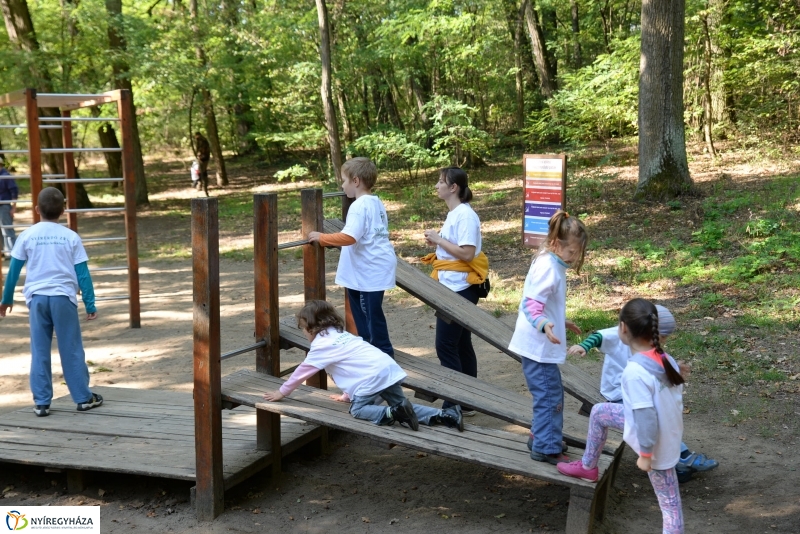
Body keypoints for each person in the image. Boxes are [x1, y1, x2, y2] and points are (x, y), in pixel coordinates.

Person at [558, 298, 685, 534]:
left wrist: (646, 455)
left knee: (670, 507)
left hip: (656, 442)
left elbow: (646, 418)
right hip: (667, 431)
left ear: (623, 329)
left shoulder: (634, 372)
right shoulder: (666, 360)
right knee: (599, 411)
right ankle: (588, 467)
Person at [567, 305, 719, 482]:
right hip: (618, 394)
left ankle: (681, 459)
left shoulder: (649, 348)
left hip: (642, 396)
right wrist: (584, 346)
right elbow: (600, 336)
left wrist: (673, 369)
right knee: (652, 424)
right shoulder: (626, 344)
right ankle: (680, 459)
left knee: (657, 422)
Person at [262, 300, 463, 431]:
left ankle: (393, 413)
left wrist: (283, 392)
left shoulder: (320, 346)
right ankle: (445, 415)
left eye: (303, 329)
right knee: (403, 405)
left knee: (358, 410)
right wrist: (347, 395)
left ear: (311, 328)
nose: (304, 334)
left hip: (372, 378)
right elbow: (352, 367)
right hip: (386, 369)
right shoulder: (341, 335)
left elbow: (301, 372)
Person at [0, 187, 102, 417]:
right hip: (63, 298)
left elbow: (13, 271)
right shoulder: (70, 236)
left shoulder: (27, 235)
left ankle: (42, 402)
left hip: (36, 300)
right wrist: (90, 303)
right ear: (63, 210)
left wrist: (6, 300)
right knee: (71, 348)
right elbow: (82, 274)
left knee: (39, 350)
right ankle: (83, 398)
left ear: (37, 210)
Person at [508, 210, 587, 464]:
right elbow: (531, 305)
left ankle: (540, 435)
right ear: (556, 243)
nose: (574, 259)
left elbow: (543, 302)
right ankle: (546, 446)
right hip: (538, 346)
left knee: (546, 394)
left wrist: (560, 321)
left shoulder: (548, 259)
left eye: (577, 253)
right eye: (572, 252)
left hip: (538, 343)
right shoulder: (549, 268)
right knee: (551, 395)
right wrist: (545, 325)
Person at [308, 157, 396, 357]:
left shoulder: (359, 206)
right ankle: (370, 352)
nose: (342, 185)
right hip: (371, 268)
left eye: (344, 180)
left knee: (370, 316)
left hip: (369, 270)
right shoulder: (376, 202)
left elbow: (349, 237)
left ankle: (383, 355)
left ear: (356, 181)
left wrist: (322, 238)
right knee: (366, 315)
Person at [421, 167, 488, 416]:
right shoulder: (455, 214)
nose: (437, 186)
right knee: (461, 343)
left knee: (445, 345)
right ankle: (468, 401)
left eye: (441, 182)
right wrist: (439, 244)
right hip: (452, 285)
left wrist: (439, 240)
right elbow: (455, 248)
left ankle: (454, 402)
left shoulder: (465, 216)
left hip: (462, 288)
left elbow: (468, 253)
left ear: (453, 188)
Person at [0, 160, 18, 257]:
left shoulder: (5, 176)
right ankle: (2, 252)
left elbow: (14, 191)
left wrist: (13, 207)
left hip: (4, 206)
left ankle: (14, 253)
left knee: (7, 231)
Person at [193, 131, 211, 196]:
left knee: (202, 171)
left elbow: (203, 150)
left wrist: (200, 155)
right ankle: (200, 185)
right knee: (201, 171)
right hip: (201, 158)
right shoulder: (199, 140)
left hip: (204, 158)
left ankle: (204, 186)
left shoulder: (202, 141)